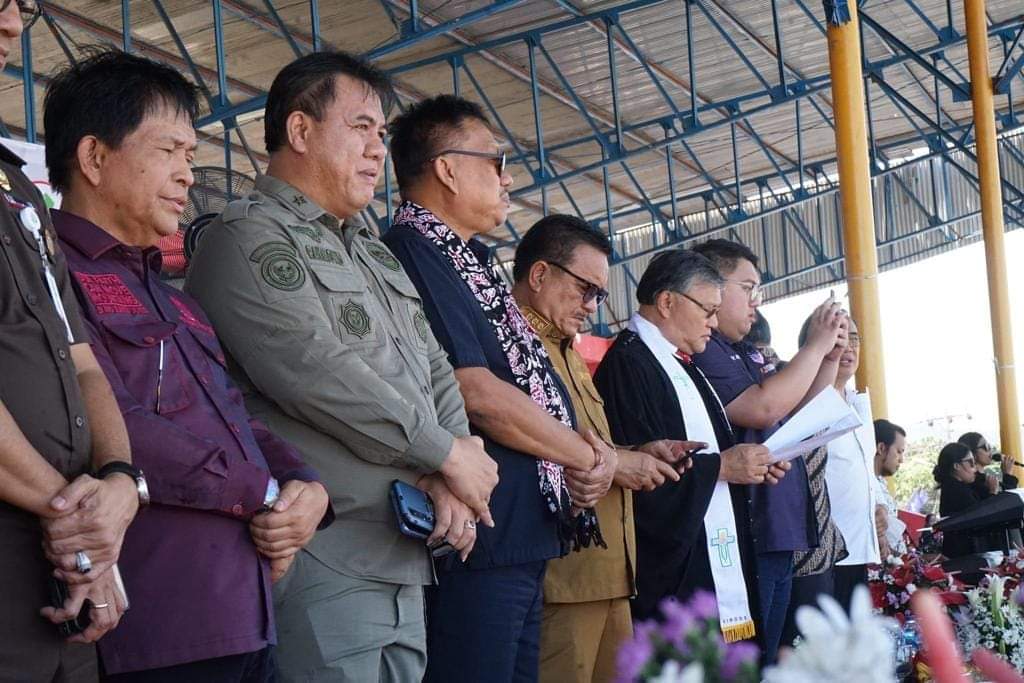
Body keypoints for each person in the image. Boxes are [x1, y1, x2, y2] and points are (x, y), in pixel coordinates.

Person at [186, 53, 497, 682]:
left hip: (404, 551)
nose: (378, 149)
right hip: (327, 556)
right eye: (360, 128)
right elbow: (316, 375)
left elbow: (435, 366)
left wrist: (457, 463)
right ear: (300, 131)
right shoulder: (246, 237)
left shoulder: (371, 253)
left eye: (381, 133)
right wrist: (445, 455)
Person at [45, 50, 333, 680]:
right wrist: (258, 492)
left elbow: (236, 418)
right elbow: (113, 420)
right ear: (94, 158)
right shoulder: (51, 277)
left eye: (191, 155)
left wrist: (304, 484)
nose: (186, 174)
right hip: (159, 623)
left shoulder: (173, 297)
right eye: (168, 150)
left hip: (245, 610)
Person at [383, 95, 615, 683]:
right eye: (495, 161)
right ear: (446, 168)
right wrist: (583, 455)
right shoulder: (414, 251)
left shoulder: (472, 262)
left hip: (520, 531)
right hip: (478, 535)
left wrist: (580, 454)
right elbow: (476, 392)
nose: (508, 179)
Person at [0, 4, 139, 680]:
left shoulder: (19, 190)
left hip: (59, 575)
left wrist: (119, 484)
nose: (11, 24)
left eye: (22, 7)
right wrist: (83, 527)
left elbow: (80, 361)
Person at [510, 215, 700, 683]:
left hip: (609, 570)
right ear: (540, 274)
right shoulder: (513, 348)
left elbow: (585, 441)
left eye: (599, 295)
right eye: (585, 290)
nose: (592, 307)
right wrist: (620, 463)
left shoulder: (566, 349)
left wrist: (638, 451)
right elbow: (528, 442)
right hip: (564, 576)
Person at [594, 248, 790, 647]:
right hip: (674, 571)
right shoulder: (629, 365)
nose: (713, 323)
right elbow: (640, 471)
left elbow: (711, 449)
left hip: (710, 551)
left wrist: (749, 465)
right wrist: (721, 468)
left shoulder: (681, 364)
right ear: (667, 302)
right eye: (707, 310)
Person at [691, 239, 843, 663]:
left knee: (765, 660)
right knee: (745, 661)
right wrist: (814, 346)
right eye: (747, 288)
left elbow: (799, 413)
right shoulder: (707, 352)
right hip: (744, 533)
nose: (756, 301)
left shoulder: (742, 351)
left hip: (778, 528)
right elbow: (763, 408)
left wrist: (829, 357)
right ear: (710, 288)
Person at [820, 318, 879, 608]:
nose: (848, 347)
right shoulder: (810, 403)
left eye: (854, 338)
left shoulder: (857, 402)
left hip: (858, 547)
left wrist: (879, 506)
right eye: (839, 338)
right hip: (825, 553)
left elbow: (866, 467)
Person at [933, 442, 983, 558]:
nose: (975, 468)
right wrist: (992, 492)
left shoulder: (953, 487)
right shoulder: (957, 490)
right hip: (963, 555)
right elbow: (981, 516)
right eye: (971, 462)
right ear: (956, 466)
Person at [872, 419, 907, 558]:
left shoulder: (880, 482)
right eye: (899, 451)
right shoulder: (863, 486)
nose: (901, 459)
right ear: (881, 448)